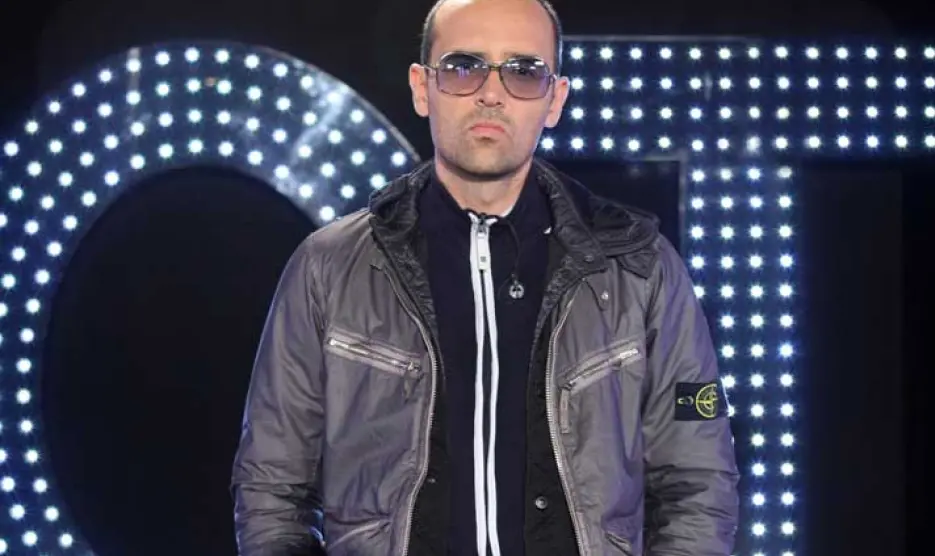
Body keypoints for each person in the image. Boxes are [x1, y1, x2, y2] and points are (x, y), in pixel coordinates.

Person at [230, 0, 740, 554]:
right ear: (422, 87)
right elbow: (272, 488)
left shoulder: (639, 269)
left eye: (523, 71)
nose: (491, 94)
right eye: (463, 67)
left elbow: (698, 484)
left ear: (555, 99)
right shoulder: (329, 267)